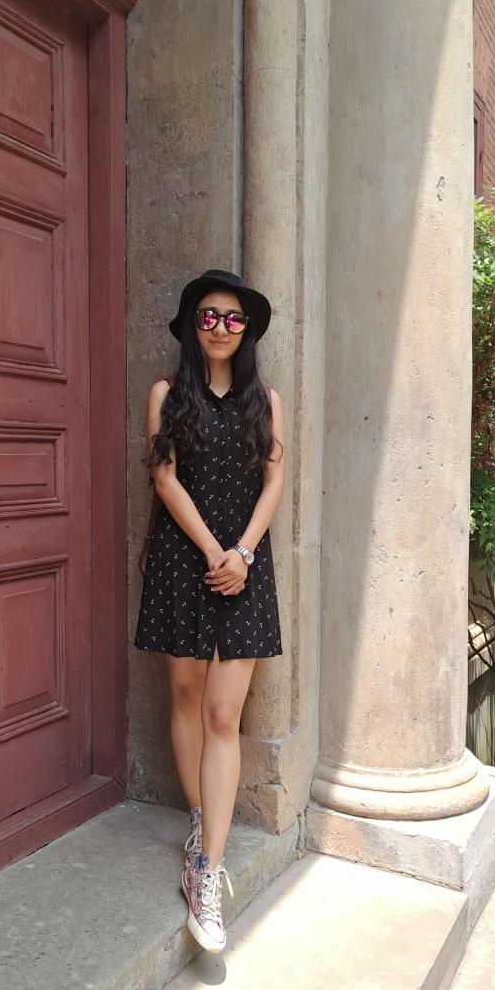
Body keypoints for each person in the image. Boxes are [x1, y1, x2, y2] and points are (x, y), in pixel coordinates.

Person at [133, 268, 285, 954]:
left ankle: (207, 870)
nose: (220, 327)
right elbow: (164, 479)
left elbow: (275, 481)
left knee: (226, 715)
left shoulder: (265, 402)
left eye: (233, 318)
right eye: (208, 316)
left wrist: (243, 554)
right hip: (184, 558)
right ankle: (200, 817)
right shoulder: (167, 395)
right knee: (187, 696)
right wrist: (212, 551)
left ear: (246, 330)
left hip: (245, 568)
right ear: (192, 325)